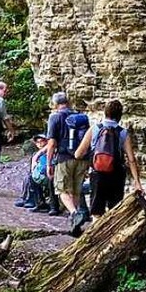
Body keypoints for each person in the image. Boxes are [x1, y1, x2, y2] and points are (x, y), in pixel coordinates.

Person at [74, 99, 143, 216]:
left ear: (105, 112)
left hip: (98, 174)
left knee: (96, 211)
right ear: (120, 115)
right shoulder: (123, 133)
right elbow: (131, 159)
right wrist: (137, 182)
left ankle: (96, 232)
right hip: (116, 174)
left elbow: (78, 154)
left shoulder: (95, 129)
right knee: (115, 209)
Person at [45, 92, 90, 236]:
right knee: (76, 191)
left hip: (64, 158)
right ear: (68, 102)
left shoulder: (55, 117)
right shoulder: (80, 117)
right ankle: (75, 226)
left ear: (55, 104)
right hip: (82, 158)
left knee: (62, 190)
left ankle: (75, 213)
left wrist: (49, 163)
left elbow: (51, 143)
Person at [15, 134, 57, 211]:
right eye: (37, 142)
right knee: (30, 177)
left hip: (52, 173)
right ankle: (32, 200)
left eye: (42, 141)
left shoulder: (52, 150)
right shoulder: (37, 154)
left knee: (41, 178)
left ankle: (49, 205)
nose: (40, 144)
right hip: (42, 175)